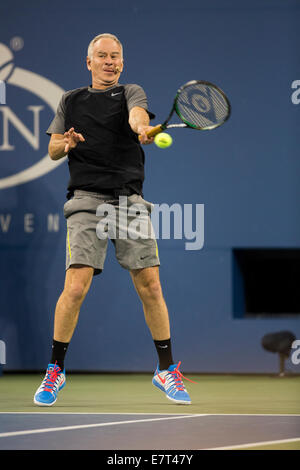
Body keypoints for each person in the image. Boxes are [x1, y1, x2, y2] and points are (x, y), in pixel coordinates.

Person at [33, 33, 192, 406]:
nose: (109, 62)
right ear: (88, 62)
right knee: (76, 285)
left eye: (115, 56)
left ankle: (166, 370)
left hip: (128, 199)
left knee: (150, 284)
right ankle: (55, 369)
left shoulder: (130, 93)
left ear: (121, 62)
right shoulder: (71, 100)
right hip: (86, 199)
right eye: (102, 56)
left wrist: (142, 129)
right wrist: (66, 142)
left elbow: (138, 117)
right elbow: (53, 147)